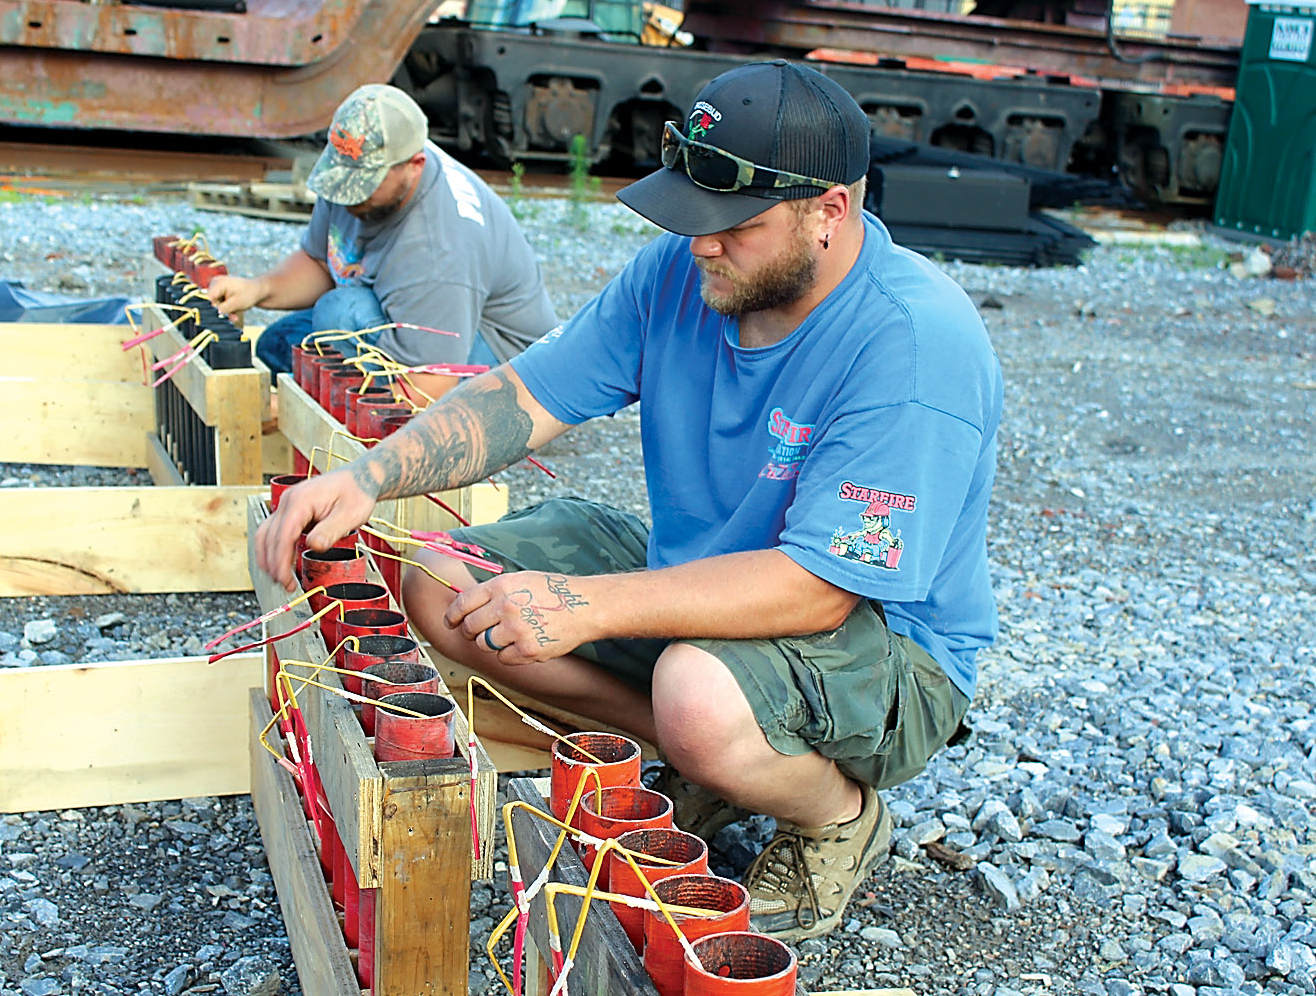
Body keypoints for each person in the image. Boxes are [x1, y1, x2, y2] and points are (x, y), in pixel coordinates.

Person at [256, 60, 1002, 940]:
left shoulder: (914, 342)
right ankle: (712, 760)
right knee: (440, 582)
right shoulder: (682, 275)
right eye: (692, 218)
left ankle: (834, 815)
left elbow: (820, 586)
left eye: (736, 224)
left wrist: (587, 604)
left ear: (829, 210)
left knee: (695, 692)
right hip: (714, 581)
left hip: (888, 649)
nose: (701, 245)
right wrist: (367, 475)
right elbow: (525, 397)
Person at [207, 83, 558, 402]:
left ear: (415, 165)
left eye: (363, 185)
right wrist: (258, 289)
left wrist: (298, 408)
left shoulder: (438, 249)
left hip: (499, 368)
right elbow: (321, 262)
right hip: (414, 316)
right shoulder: (354, 169)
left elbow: (427, 388)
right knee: (278, 346)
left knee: (338, 312)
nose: (346, 198)